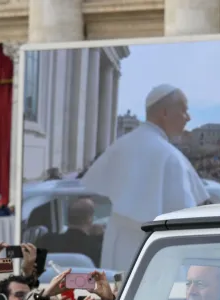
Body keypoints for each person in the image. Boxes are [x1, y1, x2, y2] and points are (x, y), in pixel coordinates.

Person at [81, 84, 209, 271]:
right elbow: (184, 224)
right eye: (184, 110)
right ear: (164, 113)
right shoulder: (169, 156)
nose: (188, 118)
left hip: (118, 250)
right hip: (154, 261)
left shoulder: (120, 146)